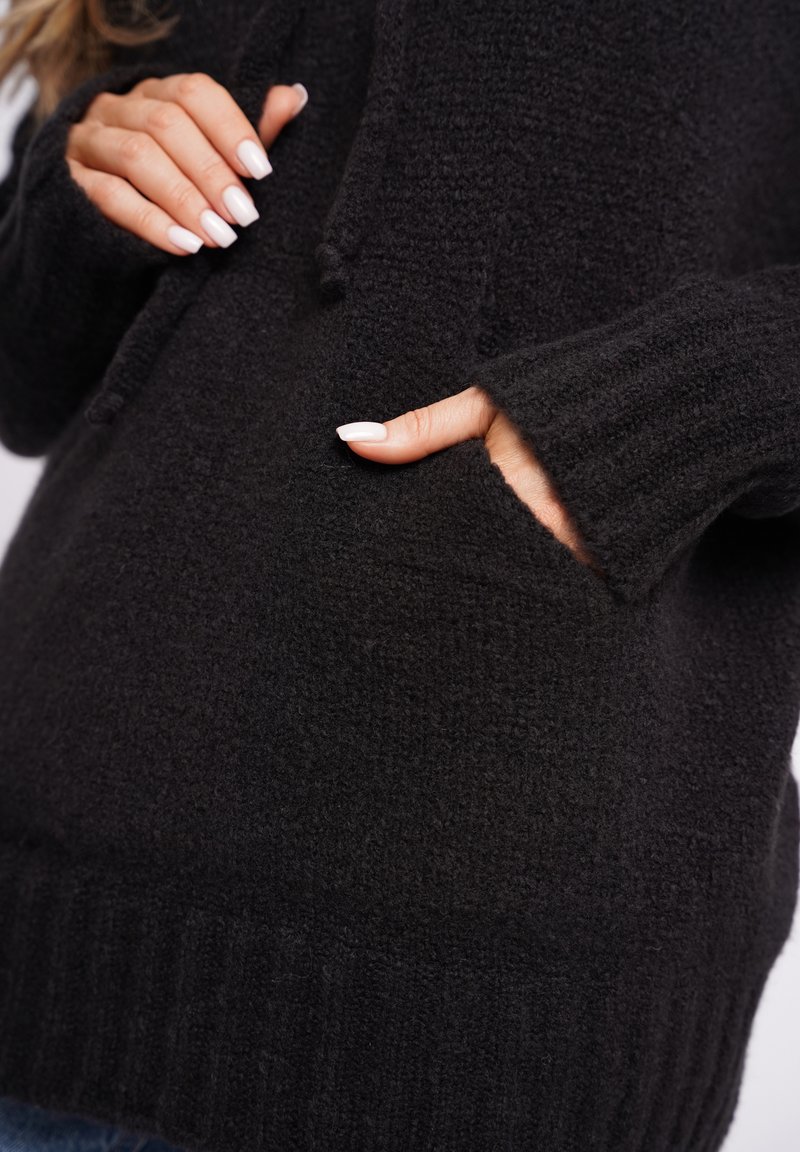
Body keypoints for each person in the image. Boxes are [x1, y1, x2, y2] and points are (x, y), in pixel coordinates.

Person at [0, 1, 798, 1149]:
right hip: (53, 897)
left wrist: (662, 409)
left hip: (491, 957)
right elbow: (27, 386)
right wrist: (82, 177)